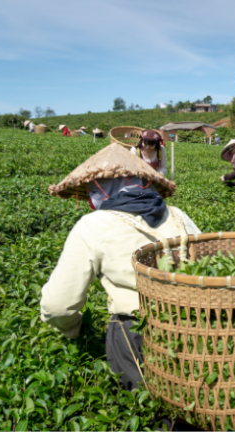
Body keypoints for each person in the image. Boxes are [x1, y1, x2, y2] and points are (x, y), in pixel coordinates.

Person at [41, 143, 200, 390]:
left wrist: (76, 331)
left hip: (135, 335)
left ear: (100, 189)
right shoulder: (179, 215)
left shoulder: (93, 225)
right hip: (198, 325)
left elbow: (58, 306)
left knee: (145, 406)